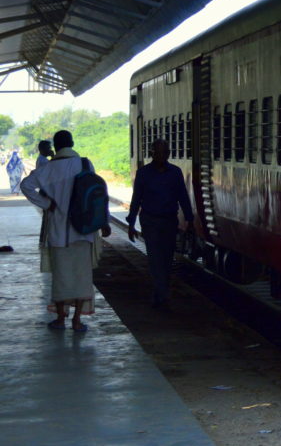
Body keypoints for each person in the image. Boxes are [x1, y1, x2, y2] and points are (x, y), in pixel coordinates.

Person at [20, 130, 111, 333]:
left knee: (61, 277)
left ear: (56, 146)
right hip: (84, 231)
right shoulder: (85, 164)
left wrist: (46, 204)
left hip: (59, 233)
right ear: (72, 143)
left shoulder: (48, 168)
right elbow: (99, 194)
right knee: (82, 277)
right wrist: (103, 221)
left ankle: (61, 319)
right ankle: (77, 321)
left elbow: (25, 186)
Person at [127, 138, 194, 310]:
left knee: (166, 258)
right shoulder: (143, 173)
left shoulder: (175, 172)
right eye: (158, 152)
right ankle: (162, 294)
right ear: (152, 153)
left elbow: (183, 196)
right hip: (150, 221)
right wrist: (131, 222)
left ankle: (160, 291)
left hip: (169, 220)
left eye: (164, 152)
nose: (161, 155)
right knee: (155, 258)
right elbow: (136, 199)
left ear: (168, 154)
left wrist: (189, 219)